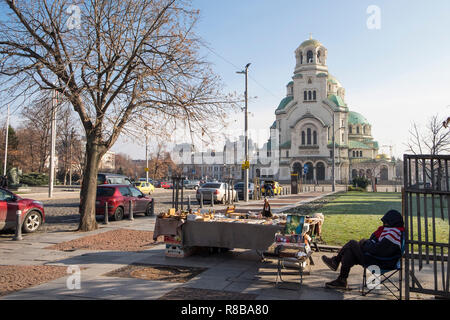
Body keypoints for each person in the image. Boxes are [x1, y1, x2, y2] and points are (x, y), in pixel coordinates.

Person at [322, 209, 404, 290]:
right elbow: (375, 243)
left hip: (381, 262)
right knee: (349, 252)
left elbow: (377, 249)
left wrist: (364, 243)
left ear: (393, 221)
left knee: (352, 243)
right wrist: (366, 243)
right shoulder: (389, 231)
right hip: (376, 258)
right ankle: (341, 280)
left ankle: (336, 262)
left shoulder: (394, 234)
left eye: (386, 222)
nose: (384, 224)